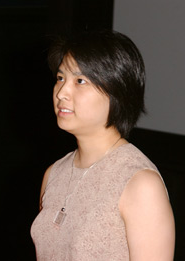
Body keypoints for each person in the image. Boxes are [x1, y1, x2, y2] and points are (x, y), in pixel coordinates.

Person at [30, 30, 175, 260]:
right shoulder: (54, 173)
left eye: (80, 81)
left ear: (118, 91)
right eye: (60, 78)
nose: (62, 93)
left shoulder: (140, 183)